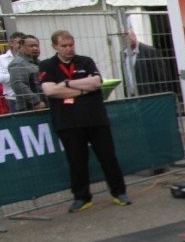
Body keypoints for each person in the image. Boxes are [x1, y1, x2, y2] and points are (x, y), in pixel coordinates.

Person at [38, 30, 132, 212]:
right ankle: (81, 197)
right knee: (77, 161)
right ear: (55, 46)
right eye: (64, 46)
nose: (68, 49)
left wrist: (66, 83)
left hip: (95, 119)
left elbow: (96, 83)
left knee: (108, 157)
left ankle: (119, 192)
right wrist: (83, 89)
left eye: (71, 45)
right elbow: (50, 91)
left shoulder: (85, 61)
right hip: (68, 122)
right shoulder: (47, 65)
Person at [119, 25, 175, 97]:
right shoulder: (123, 54)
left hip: (149, 97)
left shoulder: (150, 51)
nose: (124, 39)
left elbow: (163, 76)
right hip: (131, 97)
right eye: (122, 37)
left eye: (126, 36)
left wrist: (160, 96)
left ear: (134, 36)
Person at [7, 34, 46, 112]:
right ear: (21, 47)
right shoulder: (19, 63)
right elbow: (18, 85)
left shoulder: (36, 62)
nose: (35, 48)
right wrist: (36, 102)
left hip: (42, 106)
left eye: (37, 46)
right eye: (31, 46)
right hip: (30, 108)